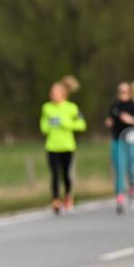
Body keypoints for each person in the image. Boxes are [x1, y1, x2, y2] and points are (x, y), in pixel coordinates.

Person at [39, 75, 86, 214]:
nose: (52, 95)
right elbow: (43, 124)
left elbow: (82, 124)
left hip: (67, 146)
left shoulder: (72, 108)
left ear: (63, 94)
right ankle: (55, 199)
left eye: (55, 92)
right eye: (51, 92)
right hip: (52, 146)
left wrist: (65, 123)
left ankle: (67, 196)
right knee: (54, 174)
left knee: (66, 174)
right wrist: (47, 126)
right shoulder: (46, 108)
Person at [105, 82, 134, 214]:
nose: (122, 94)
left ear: (130, 92)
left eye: (125, 91)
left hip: (133, 141)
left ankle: (132, 186)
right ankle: (120, 198)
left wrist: (131, 120)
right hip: (118, 141)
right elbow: (111, 119)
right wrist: (109, 122)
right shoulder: (115, 106)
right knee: (120, 169)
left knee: (131, 168)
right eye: (120, 91)